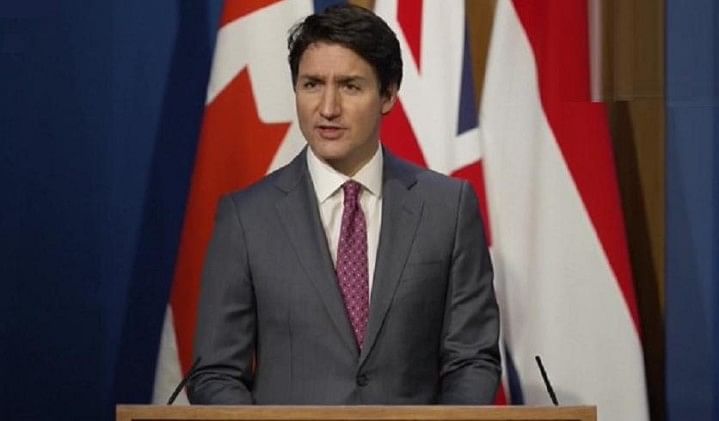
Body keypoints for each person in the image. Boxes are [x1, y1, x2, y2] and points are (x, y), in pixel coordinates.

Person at [186, 4, 500, 405]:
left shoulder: (448, 209)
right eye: (312, 84)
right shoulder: (246, 218)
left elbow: (472, 360)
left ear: (388, 94)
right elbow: (215, 373)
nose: (328, 108)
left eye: (350, 86)